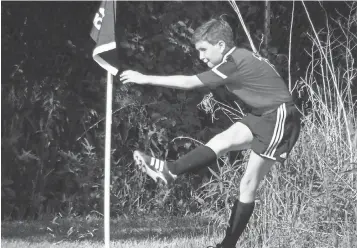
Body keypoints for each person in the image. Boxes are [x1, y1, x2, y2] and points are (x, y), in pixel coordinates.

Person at [120, 18, 301, 248]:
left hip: (279, 118)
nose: (201, 57)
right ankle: (170, 170)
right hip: (261, 115)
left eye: (204, 49)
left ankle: (228, 245)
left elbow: (190, 82)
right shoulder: (236, 57)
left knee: (248, 184)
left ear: (221, 46)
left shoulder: (232, 62)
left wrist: (145, 78)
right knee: (221, 140)